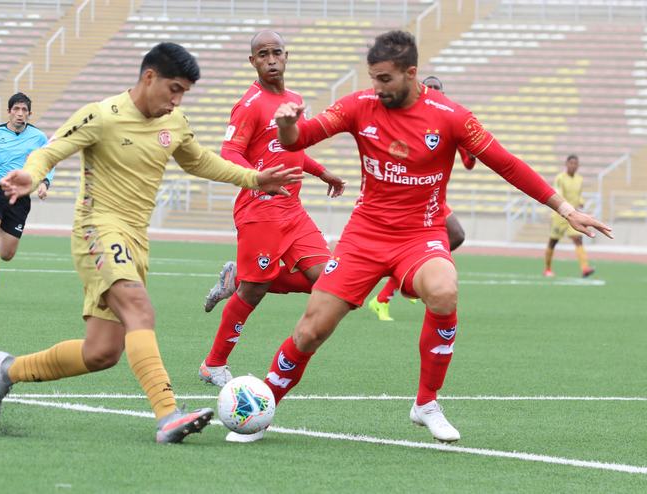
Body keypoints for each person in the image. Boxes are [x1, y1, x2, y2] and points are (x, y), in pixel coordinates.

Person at [253, 30, 612, 444]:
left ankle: (426, 403)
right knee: (310, 331)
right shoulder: (358, 105)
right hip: (364, 235)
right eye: (373, 78)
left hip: (420, 235)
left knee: (444, 291)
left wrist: (565, 209)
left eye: (385, 79)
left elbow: (507, 164)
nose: (377, 88)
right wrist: (288, 127)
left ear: (411, 73)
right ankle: (261, 407)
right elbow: (300, 139)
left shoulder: (451, 116)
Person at [0, 42, 303, 444]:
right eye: (174, 89)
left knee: (101, 352)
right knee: (139, 309)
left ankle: (7, 370)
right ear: (149, 77)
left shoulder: (175, 122)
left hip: (136, 239)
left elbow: (199, 160)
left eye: (183, 92)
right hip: (97, 230)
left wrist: (254, 178)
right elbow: (50, 152)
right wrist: (31, 176)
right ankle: (168, 415)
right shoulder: (102, 115)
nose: (177, 100)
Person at [198, 31, 345, 396]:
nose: (270, 59)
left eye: (276, 52)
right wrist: (258, 179)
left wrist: (321, 171)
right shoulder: (249, 104)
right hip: (259, 208)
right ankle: (213, 364)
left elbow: (292, 147)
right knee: (254, 292)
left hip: (292, 210)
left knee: (329, 281)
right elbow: (229, 152)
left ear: (286, 56)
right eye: (262, 54)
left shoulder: (293, 100)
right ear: (253, 62)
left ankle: (240, 276)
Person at [368, 76, 470, 321]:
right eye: (429, 87)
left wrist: (472, 151)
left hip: (432, 197)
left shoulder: (449, 120)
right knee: (451, 235)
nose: (433, 91)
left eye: (437, 89)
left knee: (456, 235)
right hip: (408, 195)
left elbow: (468, 162)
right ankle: (395, 287)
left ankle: (390, 292)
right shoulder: (411, 118)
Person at [0, 92, 54, 304]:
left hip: (19, 197)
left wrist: (44, 183)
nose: (20, 113)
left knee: (6, 255)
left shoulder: (38, 137)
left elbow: (48, 162)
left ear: (29, 113)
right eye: (16, 109)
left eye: (24, 110)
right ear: (9, 111)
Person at [544, 154, 594, 277]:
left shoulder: (579, 179)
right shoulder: (560, 178)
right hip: (560, 215)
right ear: (566, 164)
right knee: (553, 241)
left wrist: (581, 202)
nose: (573, 166)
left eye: (575, 164)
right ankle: (548, 268)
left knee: (578, 239)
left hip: (573, 215)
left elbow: (578, 195)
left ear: (578, 165)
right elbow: (558, 195)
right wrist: (567, 207)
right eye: (571, 163)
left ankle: (585, 268)